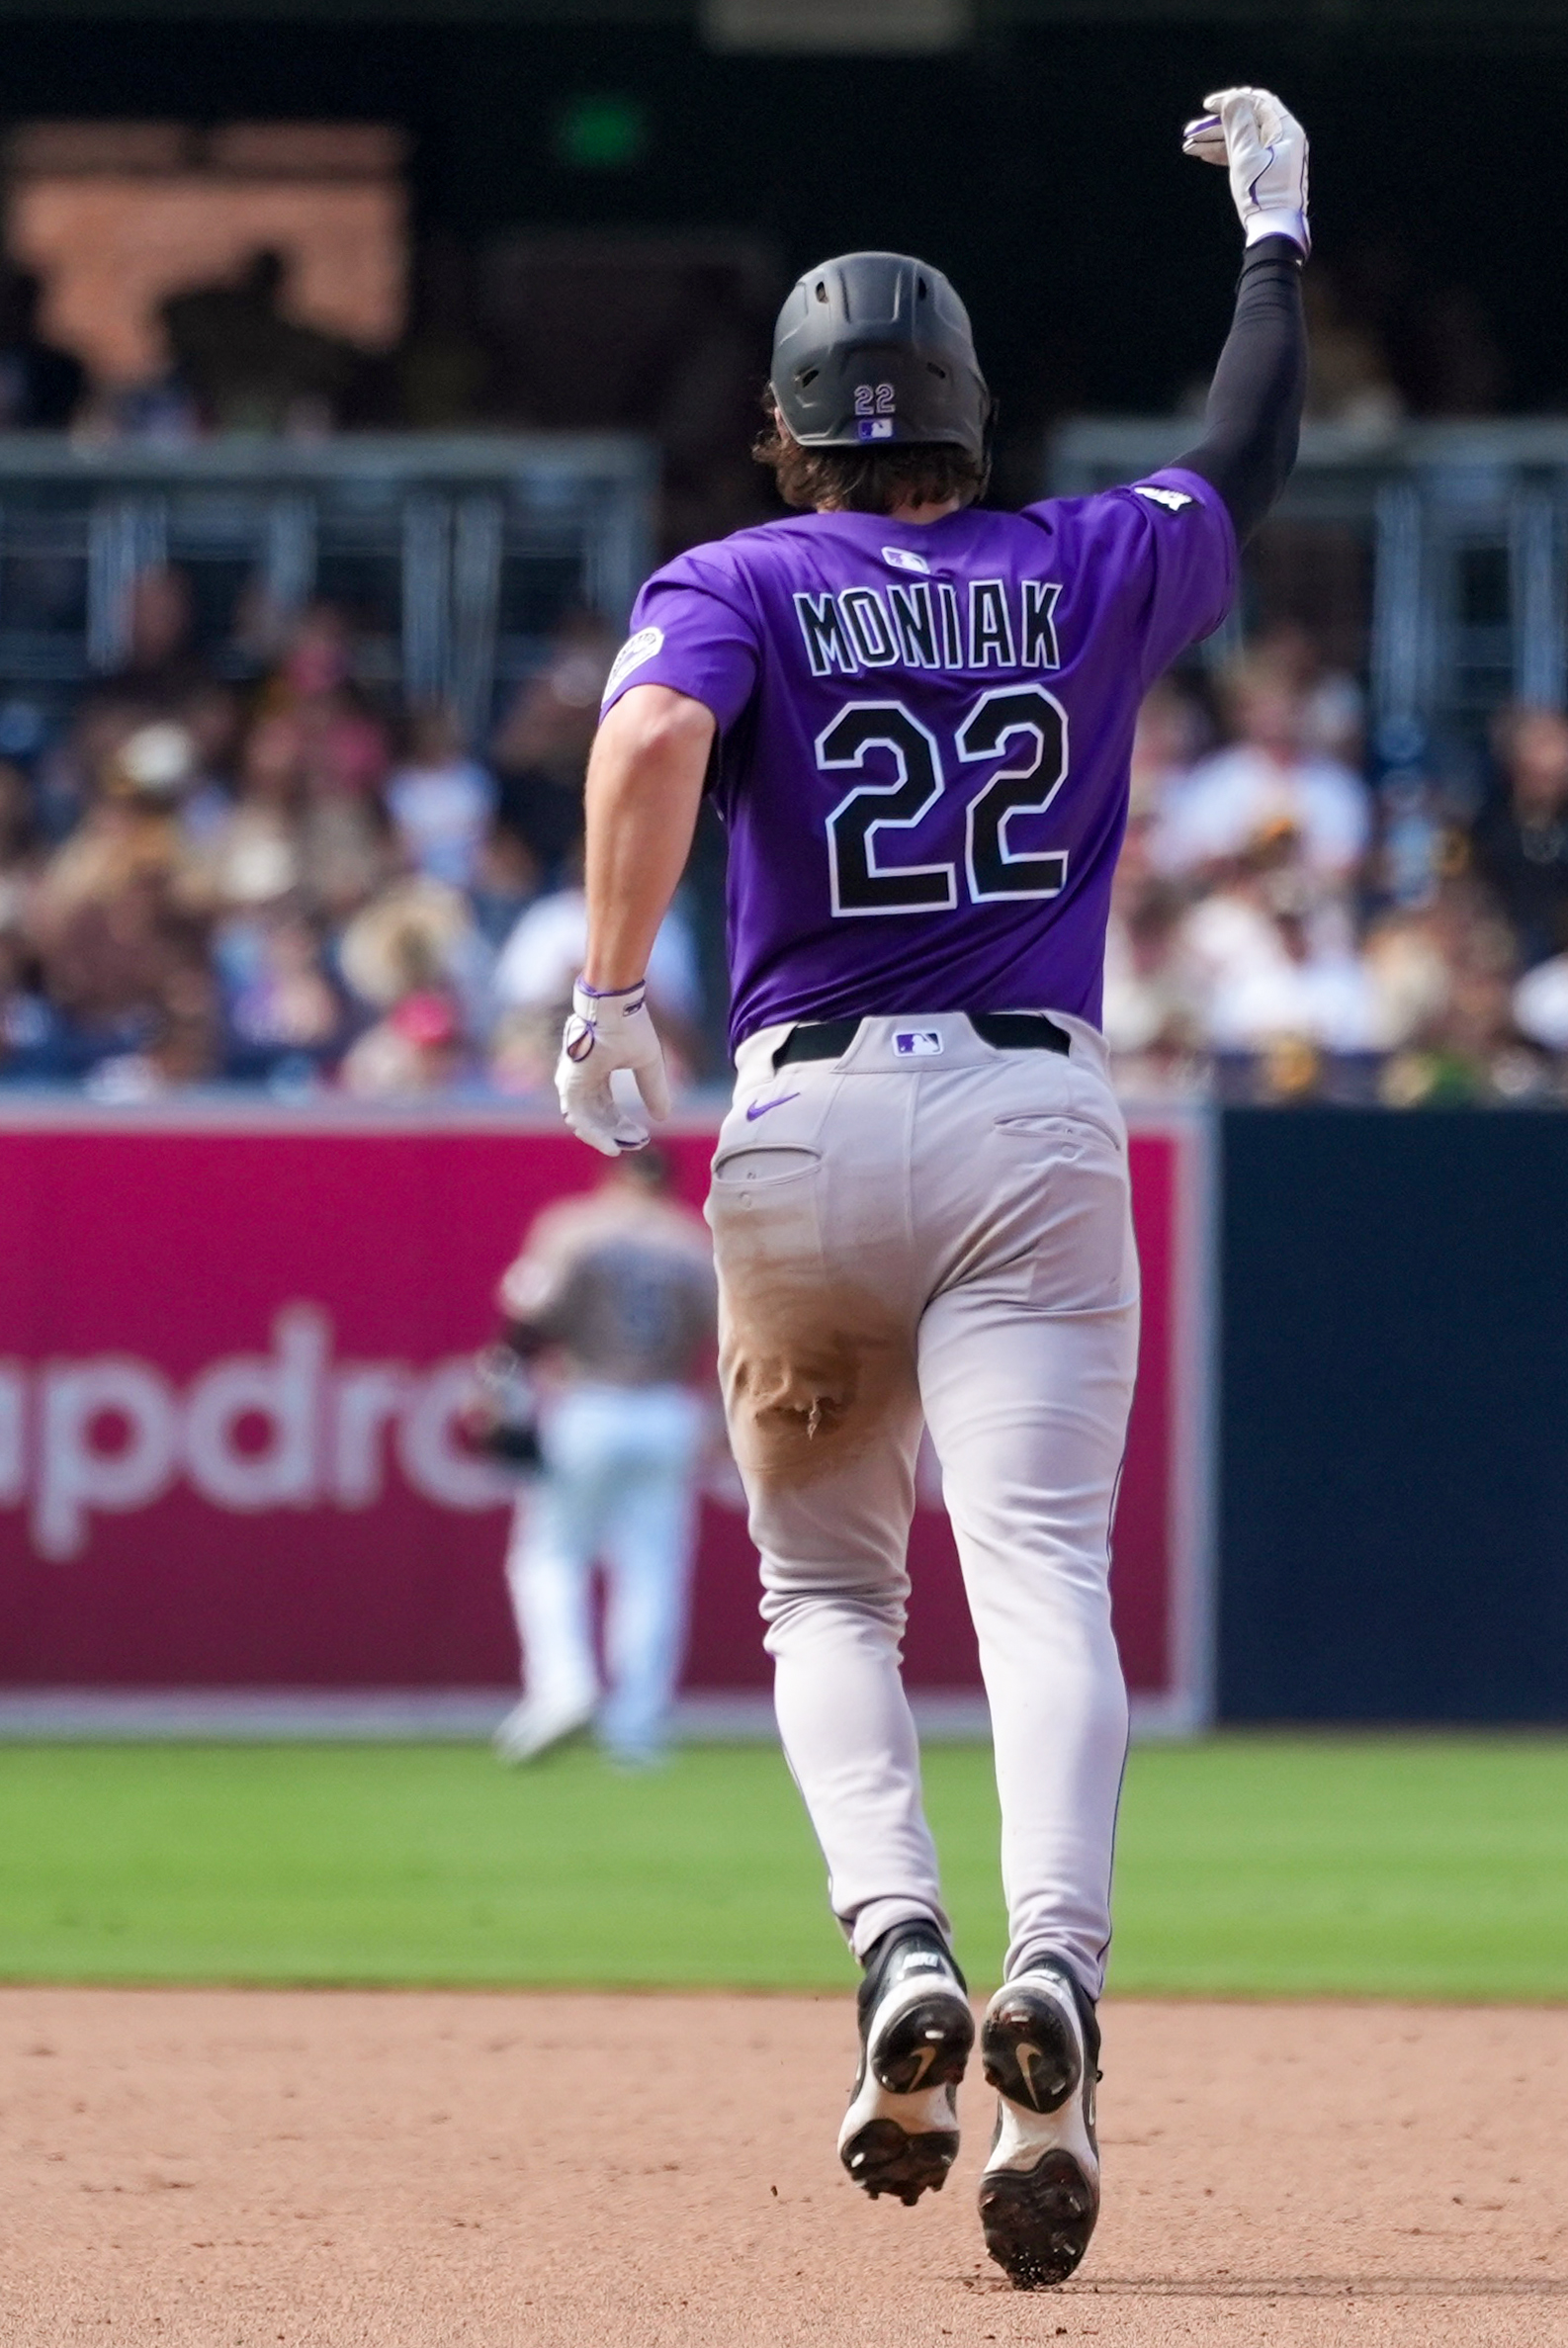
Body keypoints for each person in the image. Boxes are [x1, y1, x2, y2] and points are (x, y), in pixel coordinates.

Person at [552, 87, 1310, 2289]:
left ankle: (898, 1934)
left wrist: (609, 990)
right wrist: (1271, 238)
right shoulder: (1080, 558)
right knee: (1043, 1576)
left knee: (825, 1601)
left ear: (788, 436)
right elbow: (1245, 455)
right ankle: (1051, 1973)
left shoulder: (736, 578)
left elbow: (643, 746)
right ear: (970, 423)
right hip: (1028, 1118)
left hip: (797, 1122)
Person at [490, 1150, 717, 1769]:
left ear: (611, 1180)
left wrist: (503, 1393)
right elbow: (727, 1337)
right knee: (652, 1571)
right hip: (667, 1407)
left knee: (550, 1556)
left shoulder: (575, 1227)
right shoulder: (692, 1242)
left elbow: (527, 1316)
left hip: (588, 1400)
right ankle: (637, 1729)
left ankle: (563, 1686)